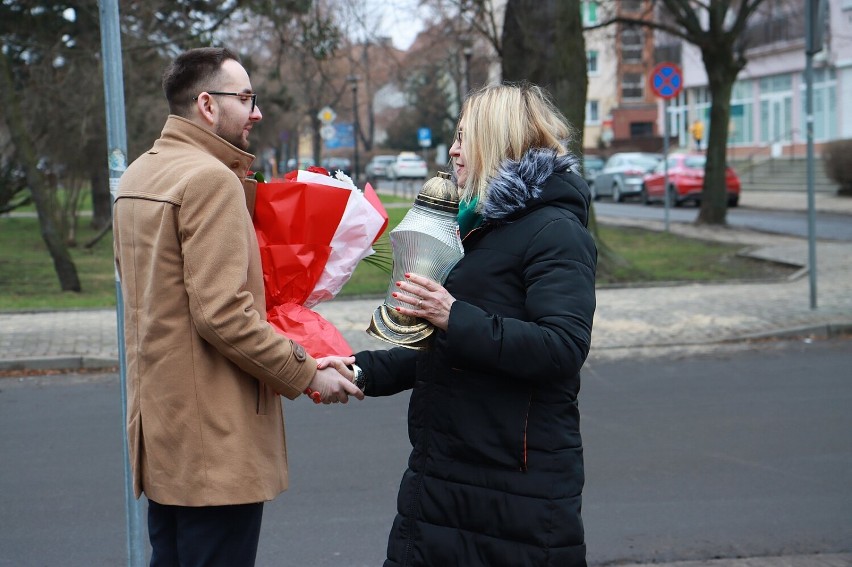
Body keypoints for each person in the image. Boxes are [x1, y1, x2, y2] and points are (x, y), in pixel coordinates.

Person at [323, 83, 597, 566]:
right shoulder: (475, 225)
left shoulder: (555, 230)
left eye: (465, 137)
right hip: (444, 473)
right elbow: (444, 348)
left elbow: (562, 347)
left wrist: (452, 314)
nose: (452, 150)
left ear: (501, 140)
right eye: (454, 135)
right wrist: (356, 370)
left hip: (514, 491)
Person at [112, 47, 362, 566]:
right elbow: (222, 315)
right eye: (245, 98)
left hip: (165, 432)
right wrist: (307, 372)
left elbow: (166, 302)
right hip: (215, 443)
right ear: (207, 104)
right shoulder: (209, 180)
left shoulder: (140, 175)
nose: (257, 112)